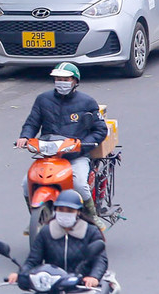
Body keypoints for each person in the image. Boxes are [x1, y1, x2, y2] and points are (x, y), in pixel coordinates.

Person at [15, 62, 109, 232]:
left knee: (79, 183)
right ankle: (36, 217)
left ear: (75, 81)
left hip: (76, 155)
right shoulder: (43, 99)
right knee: (25, 183)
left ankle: (92, 215)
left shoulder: (87, 102)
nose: (61, 82)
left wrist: (83, 144)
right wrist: (25, 137)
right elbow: (32, 122)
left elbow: (100, 129)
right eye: (58, 79)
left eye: (65, 79)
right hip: (49, 156)